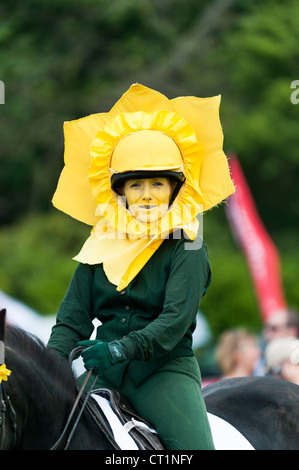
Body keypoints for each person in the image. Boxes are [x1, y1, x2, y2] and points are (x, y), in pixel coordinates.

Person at [47, 83, 235, 450]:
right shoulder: (99, 244)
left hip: (163, 373)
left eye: (157, 183)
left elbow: (174, 322)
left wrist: (119, 349)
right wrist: (47, 370)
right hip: (101, 375)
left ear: (174, 189)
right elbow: (70, 323)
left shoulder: (189, 245)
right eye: (135, 185)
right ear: (120, 192)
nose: (147, 194)